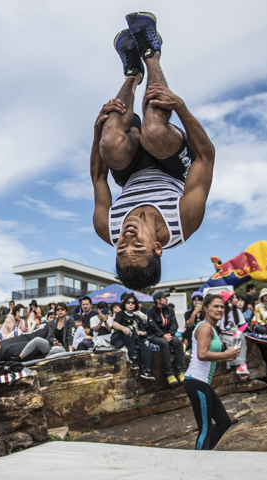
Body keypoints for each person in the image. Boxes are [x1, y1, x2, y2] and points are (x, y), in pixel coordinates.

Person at [90, 12, 215, 291]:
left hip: (130, 168)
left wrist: (97, 132)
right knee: (154, 132)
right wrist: (179, 107)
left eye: (122, 249)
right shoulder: (184, 220)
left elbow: (99, 177)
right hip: (170, 165)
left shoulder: (106, 228)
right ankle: (151, 54)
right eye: (138, 246)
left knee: (110, 143)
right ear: (158, 247)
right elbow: (206, 156)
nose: (127, 239)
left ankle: (132, 74)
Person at [184, 294, 239, 450]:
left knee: (224, 422)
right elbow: (202, 355)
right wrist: (225, 355)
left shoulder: (212, 328)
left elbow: (208, 354)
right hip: (195, 380)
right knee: (205, 428)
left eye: (222, 306)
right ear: (206, 308)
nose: (219, 309)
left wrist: (226, 355)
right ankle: (198, 466)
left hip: (201, 382)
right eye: (215, 306)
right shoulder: (205, 326)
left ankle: (205, 454)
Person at [111, 293, 154, 379]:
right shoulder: (120, 314)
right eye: (128, 302)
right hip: (118, 339)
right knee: (130, 328)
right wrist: (124, 328)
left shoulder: (137, 317)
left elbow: (146, 331)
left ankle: (146, 370)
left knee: (146, 342)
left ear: (136, 305)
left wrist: (142, 332)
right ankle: (133, 358)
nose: (130, 304)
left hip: (132, 339)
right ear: (124, 304)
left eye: (133, 303)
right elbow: (114, 324)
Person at [147, 290, 185, 386]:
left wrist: (169, 334)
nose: (166, 299)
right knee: (164, 343)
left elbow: (174, 324)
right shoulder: (151, 312)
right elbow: (153, 327)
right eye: (164, 297)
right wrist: (162, 335)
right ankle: (169, 374)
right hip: (155, 335)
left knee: (178, 342)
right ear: (158, 300)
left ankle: (181, 371)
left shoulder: (170, 310)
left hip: (168, 334)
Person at [217, 291, 249, 377]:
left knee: (241, 337)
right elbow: (217, 327)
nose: (237, 299)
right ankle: (238, 365)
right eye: (234, 297)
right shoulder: (221, 312)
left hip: (235, 333)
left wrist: (238, 330)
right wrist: (223, 331)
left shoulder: (237, 311)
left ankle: (241, 364)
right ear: (228, 301)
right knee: (232, 340)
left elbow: (243, 325)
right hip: (224, 334)